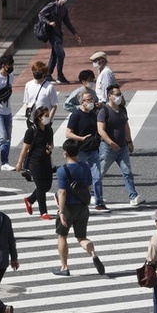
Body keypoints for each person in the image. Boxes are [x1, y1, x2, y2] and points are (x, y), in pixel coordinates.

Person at [52, 140, 103, 278]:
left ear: (65, 153)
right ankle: (92, 253)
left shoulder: (62, 170)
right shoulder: (85, 167)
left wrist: (61, 212)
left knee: (62, 236)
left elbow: (62, 193)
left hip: (68, 208)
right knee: (81, 237)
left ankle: (64, 267)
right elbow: (88, 188)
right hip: (82, 207)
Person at [97, 84, 143, 205]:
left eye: (120, 94)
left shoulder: (122, 109)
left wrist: (129, 141)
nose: (119, 96)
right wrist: (111, 143)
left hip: (122, 147)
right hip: (108, 148)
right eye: (116, 94)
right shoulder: (104, 111)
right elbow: (101, 130)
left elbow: (125, 126)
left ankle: (133, 196)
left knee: (127, 171)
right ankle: (92, 193)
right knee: (100, 172)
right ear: (110, 96)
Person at [65, 90, 105, 210]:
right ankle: (65, 196)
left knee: (97, 176)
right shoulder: (76, 115)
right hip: (80, 151)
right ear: (82, 102)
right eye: (88, 100)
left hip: (93, 150)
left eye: (91, 99)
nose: (91, 102)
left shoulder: (94, 115)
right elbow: (68, 133)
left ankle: (99, 202)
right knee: (77, 176)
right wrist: (81, 138)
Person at [15, 106, 54, 219]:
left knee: (47, 186)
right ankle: (44, 212)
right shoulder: (31, 131)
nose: (48, 117)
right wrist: (19, 163)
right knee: (41, 187)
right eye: (45, 116)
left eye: (48, 115)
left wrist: (50, 148)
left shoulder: (49, 129)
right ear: (39, 117)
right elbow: (25, 148)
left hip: (46, 160)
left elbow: (51, 143)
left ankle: (30, 200)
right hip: (35, 162)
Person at [39, 0, 81, 84]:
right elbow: (41, 14)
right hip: (52, 34)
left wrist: (75, 33)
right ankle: (60, 75)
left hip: (59, 34)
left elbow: (67, 22)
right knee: (61, 54)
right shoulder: (52, 6)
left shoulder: (64, 9)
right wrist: (48, 22)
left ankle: (48, 74)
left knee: (54, 54)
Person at [22, 61, 59, 126]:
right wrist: (28, 116)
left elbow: (54, 105)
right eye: (34, 71)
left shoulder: (49, 87)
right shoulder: (28, 85)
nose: (36, 73)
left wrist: (48, 120)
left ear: (44, 74)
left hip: (44, 121)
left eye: (39, 72)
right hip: (31, 120)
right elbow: (27, 102)